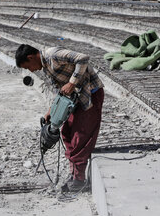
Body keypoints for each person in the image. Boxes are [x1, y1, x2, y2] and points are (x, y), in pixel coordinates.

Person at [16, 44, 104, 192]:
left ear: (31, 57)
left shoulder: (53, 54)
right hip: (75, 100)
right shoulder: (46, 67)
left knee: (80, 136)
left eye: (28, 67)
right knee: (67, 133)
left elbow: (82, 59)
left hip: (90, 95)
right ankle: (74, 174)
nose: (31, 71)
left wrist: (72, 82)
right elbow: (59, 90)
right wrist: (51, 111)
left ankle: (79, 179)